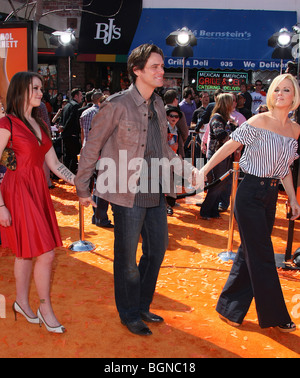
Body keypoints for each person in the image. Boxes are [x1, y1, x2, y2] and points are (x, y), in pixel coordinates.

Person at [74, 44, 200, 336]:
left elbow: (162, 150)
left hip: (155, 188)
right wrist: (83, 187)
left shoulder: (158, 104)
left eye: (162, 65)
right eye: (155, 66)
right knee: (126, 258)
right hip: (125, 190)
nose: (161, 71)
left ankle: (142, 304)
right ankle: (129, 312)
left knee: (156, 250)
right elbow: (91, 146)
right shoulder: (117, 104)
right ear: (137, 70)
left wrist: (187, 169)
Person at [200, 73, 300, 332]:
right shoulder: (259, 120)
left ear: (294, 96)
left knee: (249, 252)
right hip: (249, 194)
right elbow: (230, 145)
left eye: (286, 90)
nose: (280, 93)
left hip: (270, 196)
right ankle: (277, 315)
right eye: (276, 89)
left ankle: (229, 308)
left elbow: (285, 168)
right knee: (264, 255)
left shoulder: (295, 130)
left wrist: (291, 197)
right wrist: (203, 170)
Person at [0, 71, 75, 333]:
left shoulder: (39, 124)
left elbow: (54, 164)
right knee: (46, 252)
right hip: (17, 190)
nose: (41, 93)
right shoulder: (6, 123)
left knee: (25, 252)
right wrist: (0, 206)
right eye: (35, 88)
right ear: (20, 90)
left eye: (41, 88)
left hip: (37, 190)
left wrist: (78, 180)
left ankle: (21, 302)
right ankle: (45, 309)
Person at [200, 93, 237, 219]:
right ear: (226, 104)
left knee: (221, 184)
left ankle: (213, 211)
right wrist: (233, 136)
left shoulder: (222, 118)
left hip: (223, 155)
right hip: (217, 155)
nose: (234, 104)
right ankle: (206, 210)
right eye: (231, 102)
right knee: (217, 184)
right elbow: (220, 134)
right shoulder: (217, 118)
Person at [80, 91, 113, 228]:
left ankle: (97, 217)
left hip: (90, 153)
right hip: (102, 156)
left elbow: (83, 134)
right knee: (103, 189)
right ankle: (100, 218)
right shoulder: (104, 119)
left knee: (98, 188)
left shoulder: (85, 114)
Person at [61, 88, 83, 174]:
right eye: (80, 95)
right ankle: (71, 175)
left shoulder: (67, 105)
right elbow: (71, 120)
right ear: (76, 96)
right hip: (72, 134)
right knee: (74, 157)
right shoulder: (75, 106)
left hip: (66, 134)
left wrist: (63, 128)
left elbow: (63, 119)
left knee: (67, 156)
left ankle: (65, 175)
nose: (81, 98)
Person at [164, 89, 188, 158]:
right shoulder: (179, 113)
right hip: (176, 151)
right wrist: (180, 143)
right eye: (171, 116)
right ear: (175, 100)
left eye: (176, 117)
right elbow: (185, 133)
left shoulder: (160, 112)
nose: (174, 118)